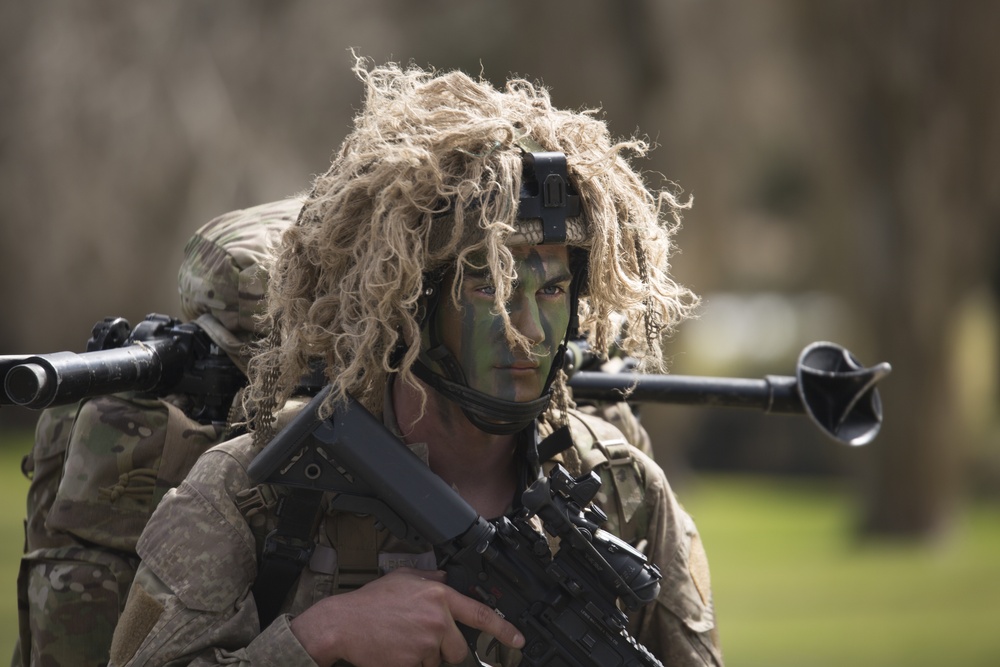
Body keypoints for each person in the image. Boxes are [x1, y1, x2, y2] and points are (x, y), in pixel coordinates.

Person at [109, 57, 723, 667]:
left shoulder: (625, 491)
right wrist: (318, 638)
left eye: (552, 290)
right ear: (410, 302)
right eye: (488, 287)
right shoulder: (255, 493)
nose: (528, 331)